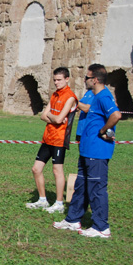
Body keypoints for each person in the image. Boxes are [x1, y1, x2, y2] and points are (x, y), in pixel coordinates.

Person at [53, 64, 121, 238]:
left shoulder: (104, 96)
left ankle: (101, 227)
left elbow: (116, 115)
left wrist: (102, 130)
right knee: (81, 186)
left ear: (95, 80)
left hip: (97, 152)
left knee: (97, 189)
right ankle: (73, 219)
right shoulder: (95, 96)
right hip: (87, 150)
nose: (85, 80)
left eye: (87, 77)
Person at [26, 67, 78, 213]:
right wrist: (54, 119)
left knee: (57, 170)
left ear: (67, 79)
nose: (56, 82)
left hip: (59, 139)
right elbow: (43, 115)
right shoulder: (54, 95)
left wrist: (54, 118)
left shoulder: (70, 97)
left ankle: (59, 203)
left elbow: (60, 119)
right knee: (36, 169)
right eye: (54, 80)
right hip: (48, 137)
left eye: (59, 80)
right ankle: (42, 200)